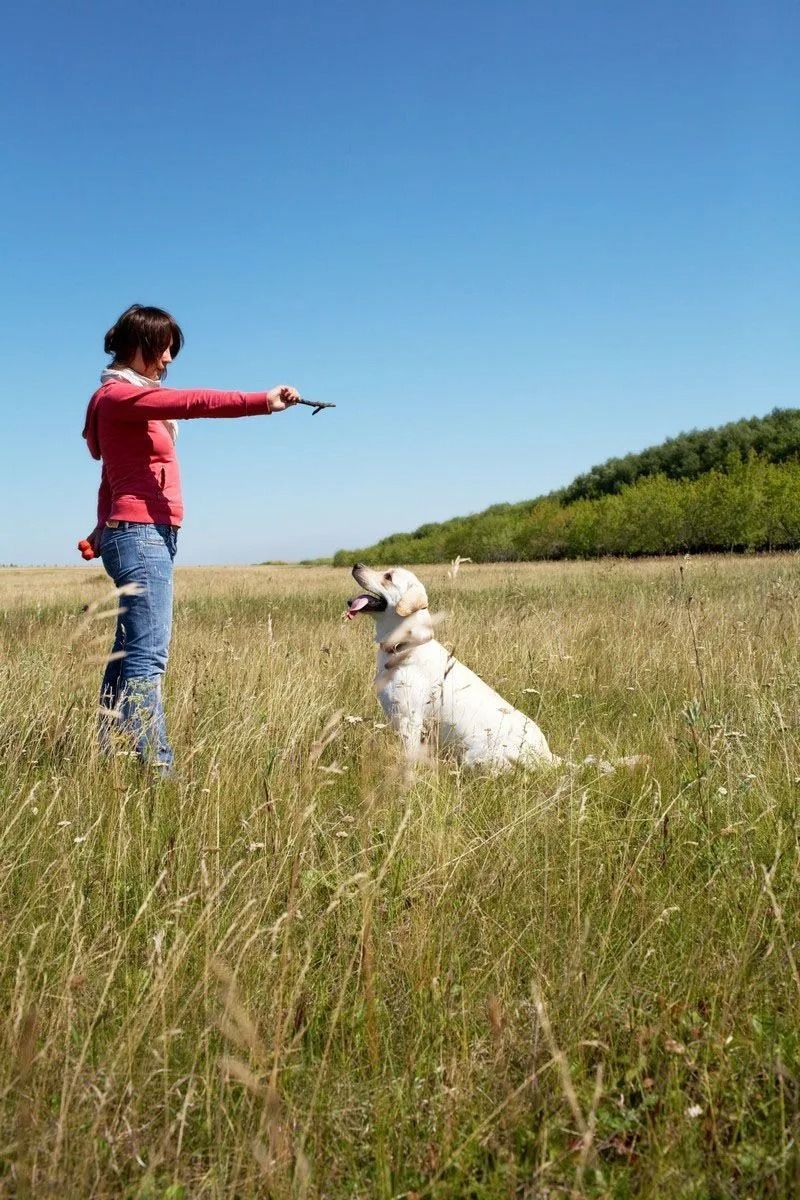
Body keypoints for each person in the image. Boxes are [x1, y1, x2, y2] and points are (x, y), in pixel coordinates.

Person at [81, 303, 300, 772]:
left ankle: (106, 753)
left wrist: (100, 531)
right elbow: (194, 402)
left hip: (136, 533)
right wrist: (263, 400)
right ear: (134, 346)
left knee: (127, 655)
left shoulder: (126, 402)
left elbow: (109, 479)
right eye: (162, 350)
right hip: (141, 537)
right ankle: (158, 771)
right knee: (147, 658)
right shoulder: (118, 397)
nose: (168, 360)